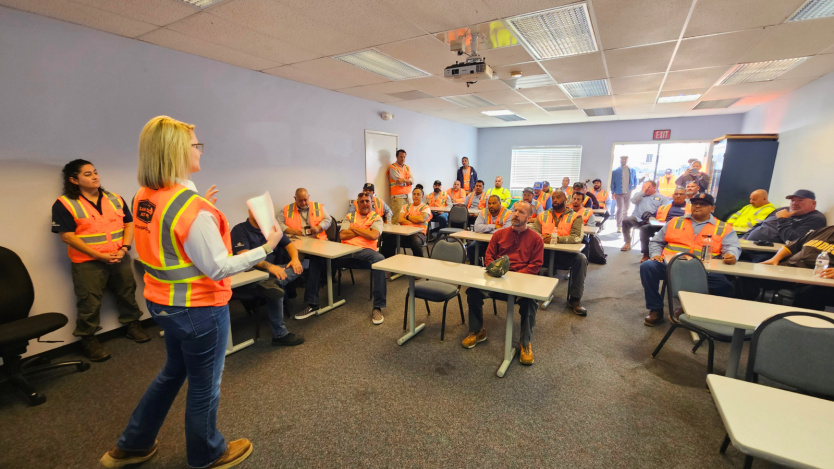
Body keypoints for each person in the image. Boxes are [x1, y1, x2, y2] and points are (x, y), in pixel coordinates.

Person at [102, 116, 281, 468]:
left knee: (172, 372)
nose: (200, 149)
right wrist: (266, 247)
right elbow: (217, 267)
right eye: (195, 145)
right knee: (204, 387)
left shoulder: (145, 195)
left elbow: (166, 239)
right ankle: (207, 453)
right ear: (175, 152)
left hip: (162, 303)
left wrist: (198, 201)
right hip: (199, 308)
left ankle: (133, 444)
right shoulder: (190, 208)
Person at [53, 159, 148, 362]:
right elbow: (67, 236)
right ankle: (88, 339)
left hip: (119, 256)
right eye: (87, 174)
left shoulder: (114, 198)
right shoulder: (65, 204)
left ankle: (133, 325)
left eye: (95, 172)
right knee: (89, 301)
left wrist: (124, 248)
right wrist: (99, 255)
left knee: (127, 292)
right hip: (87, 263)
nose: (95, 176)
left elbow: (129, 224)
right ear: (73, 179)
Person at [461, 201, 543, 366]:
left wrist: (516, 277)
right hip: (498, 278)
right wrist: (496, 272)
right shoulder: (499, 234)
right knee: (473, 292)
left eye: (521, 212)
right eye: (515, 211)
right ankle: (478, 331)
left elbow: (535, 266)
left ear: (529, 217)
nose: (515, 214)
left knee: (530, 302)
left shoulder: (536, 239)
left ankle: (525, 343)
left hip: (521, 281)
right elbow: (489, 256)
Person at [640, 193, 739, 327]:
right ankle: (655, 310)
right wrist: (655, 254)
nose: (697, 206)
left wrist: (731, 254)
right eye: (695, 203)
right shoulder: (675, 222)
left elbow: (732, 246)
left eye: (703, 204)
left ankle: (693, 309)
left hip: (703, 270)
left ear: (712, 208)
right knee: (648, 266)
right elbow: (656, 242)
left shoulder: (723, 227)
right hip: (671, 266)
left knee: (725, 287)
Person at [301, 193, 389, 324]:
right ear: (357, 204)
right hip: (345, 252)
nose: (365, 204)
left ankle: (378, 307)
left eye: (367, 201)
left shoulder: (376, 218)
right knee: (317, 257)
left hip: (364, 252)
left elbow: (374, 235)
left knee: (380, 260)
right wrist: (364, 230)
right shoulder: (350, 216)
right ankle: (312, 304)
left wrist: (353, 228)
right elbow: (342, 235)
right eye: (362, 201)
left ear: (371, 203)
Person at [231, 211, 304, 346]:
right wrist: (270, 267)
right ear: (249, 211)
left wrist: (295, 259)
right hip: (252, 273)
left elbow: (290, 245)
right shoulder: (239, 230)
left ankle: (273, 282)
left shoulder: (272, 229)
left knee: (300, 265)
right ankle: (280, 335)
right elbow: (245, 257)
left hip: (274, 271)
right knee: (275, 287)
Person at [739, 225, 834, 310]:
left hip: (816, 278)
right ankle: (743, 310)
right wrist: (775, 259)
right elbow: (791, 246)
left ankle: (796, 326)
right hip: (788, 269)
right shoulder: (825, 230)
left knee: (809, 294)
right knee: (750, 275)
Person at [531, 191, 588, 316]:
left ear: (565, 199)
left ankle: (574, 299)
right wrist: (541, 237)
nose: (555, 200)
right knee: (525, 252)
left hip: (564, 255)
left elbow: (577, 237)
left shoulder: (575, 217)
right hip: (544, 253)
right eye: (553, 198)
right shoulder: (542, 215)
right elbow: (533, 232)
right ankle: (526, 293)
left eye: (558, 197)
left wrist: (558, 239)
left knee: (581, 259)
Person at [741, 189, 827, 262]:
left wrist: (783, 220)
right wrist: (744, 238)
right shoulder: (782, 209)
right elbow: (759, 224)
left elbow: (793, 241)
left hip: (770, 253)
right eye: (792, 200)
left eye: (800, 200)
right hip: (748, 245)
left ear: (813, 204)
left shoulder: (816, 219)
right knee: (728, 256)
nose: (795, 203)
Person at [637, 187, 690, 262]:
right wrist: (653, 220)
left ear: (685, 196)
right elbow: (652, 216)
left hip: (680, 228)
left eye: (681, 194)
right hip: (661, 226)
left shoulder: (690, 208)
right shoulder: (663, 207)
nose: (678, 196)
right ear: (673, 195)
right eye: (676, 194)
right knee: (644, 228)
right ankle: (646, 254)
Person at [380, 186, 432, 258]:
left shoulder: (426, 207)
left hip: (419, 233)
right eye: (414, 194)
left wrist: (407, 217)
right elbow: (400, 220)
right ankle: (386, 262)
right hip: (404, 232)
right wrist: (414, 222)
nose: (416, 196)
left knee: (415, 242)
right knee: (390, 240)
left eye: (418, 194)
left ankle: (419, 263)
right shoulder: (406, 206)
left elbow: (421, 219)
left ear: (422, 196)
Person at [621, 181, 669, 252]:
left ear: (654, 188)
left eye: (648, 187)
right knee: (626, 220)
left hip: (652, 220)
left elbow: (665, 210)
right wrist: (643, 191)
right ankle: (627, 242)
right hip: (637, 218)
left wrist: (654, 218)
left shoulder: (662, 198)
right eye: (644, 186)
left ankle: (650, 247)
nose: (646, 189)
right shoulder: (639, 195)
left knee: (648, 229)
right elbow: (633, 201)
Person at [468, 194, 511, 264]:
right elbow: (477, 228)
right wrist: (494, 226)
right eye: (489, 203)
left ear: (500, 204)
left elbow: (505, 231)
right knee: (471, 248)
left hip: (500, 242)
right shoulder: (484, 212)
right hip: (484, 240)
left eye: (494, 203)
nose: (491, 206)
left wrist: (485, 229)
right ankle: (477, 268)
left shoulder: (508, 214)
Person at [611, 156, 638, 233]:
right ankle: (619, 226)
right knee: (620, 209)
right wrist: (613, 192)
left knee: (626, 209)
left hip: (628, 192)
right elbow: (612, 183)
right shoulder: (615, 171)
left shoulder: (632, 170)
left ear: (627, 160)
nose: (623, 160)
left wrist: (634, 186)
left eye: (625, 159)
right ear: (620, 160)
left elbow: (635, 179)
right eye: (622, 159)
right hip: (619, 192)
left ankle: (624, 225)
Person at [388, 149, 413, 225]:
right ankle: (395, 237)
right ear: (397, 157)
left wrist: (404, 180)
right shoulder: (393, 168)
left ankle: (405, 237)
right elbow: (400, 183)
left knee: (407, 217)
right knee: (397, 219)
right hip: (398, 197)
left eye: (404, 157)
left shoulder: (407, 167)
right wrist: (408, 181)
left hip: (408, 196)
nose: (403, 159)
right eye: (401, 157)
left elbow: (413, 181)